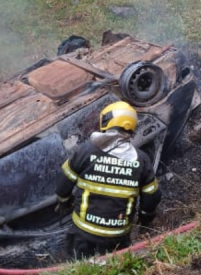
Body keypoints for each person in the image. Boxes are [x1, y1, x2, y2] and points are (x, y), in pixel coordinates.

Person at [54, 100, 161, 258]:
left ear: (106, 122)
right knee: (114, 271)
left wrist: (64, 202)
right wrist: (146, 218)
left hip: (83, 234)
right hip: (117, 237)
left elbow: (64, 182)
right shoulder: (141, 160)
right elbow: (152, 196)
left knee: (77, 267)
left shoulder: (86, 152)